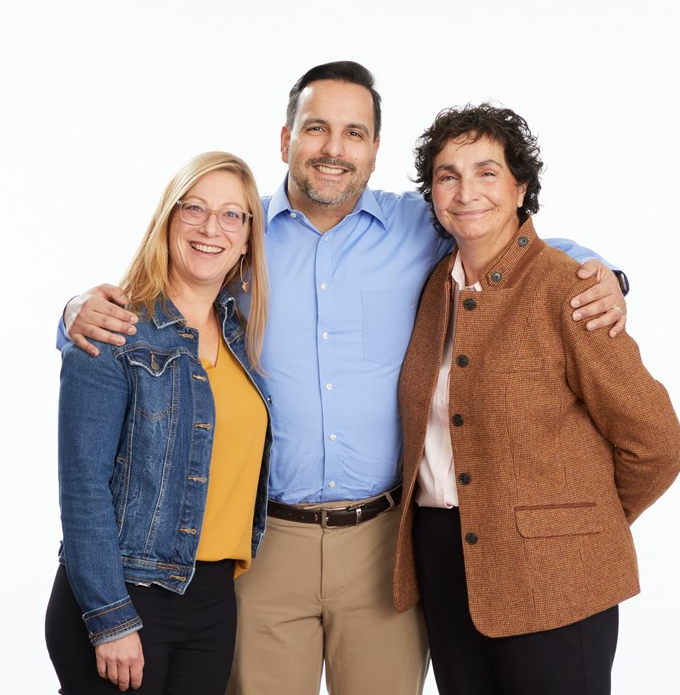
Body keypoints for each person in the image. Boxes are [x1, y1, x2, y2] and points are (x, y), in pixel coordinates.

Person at [63, 62, 630, 695]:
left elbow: (519, 246)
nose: (334, 149)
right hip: (266, 547)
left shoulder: (423, 226)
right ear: (285, 141)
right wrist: (72, 314)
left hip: (384, 547)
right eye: (317, 129)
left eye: (354, 133)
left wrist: (606, 273)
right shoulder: (236, 234)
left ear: (374, 150)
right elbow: (146, 306)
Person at [392, 103, 680, 695]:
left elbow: (656, 443)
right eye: (448, 175)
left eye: (487, 172)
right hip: (443, 561)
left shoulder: (567, 286)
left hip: (555, 573)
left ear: (521, 187)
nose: (466, 190)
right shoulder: (431, 289)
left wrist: (572, 526)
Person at [45, 151, 274, 694]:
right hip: (126, 593)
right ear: (167, 221)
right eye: (192, 208)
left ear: (246, 240)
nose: (210, 227)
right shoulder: (113, 330)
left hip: (213, 600)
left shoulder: (240, 339)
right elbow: (83, 489)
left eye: (231, 215)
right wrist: (111, 618)